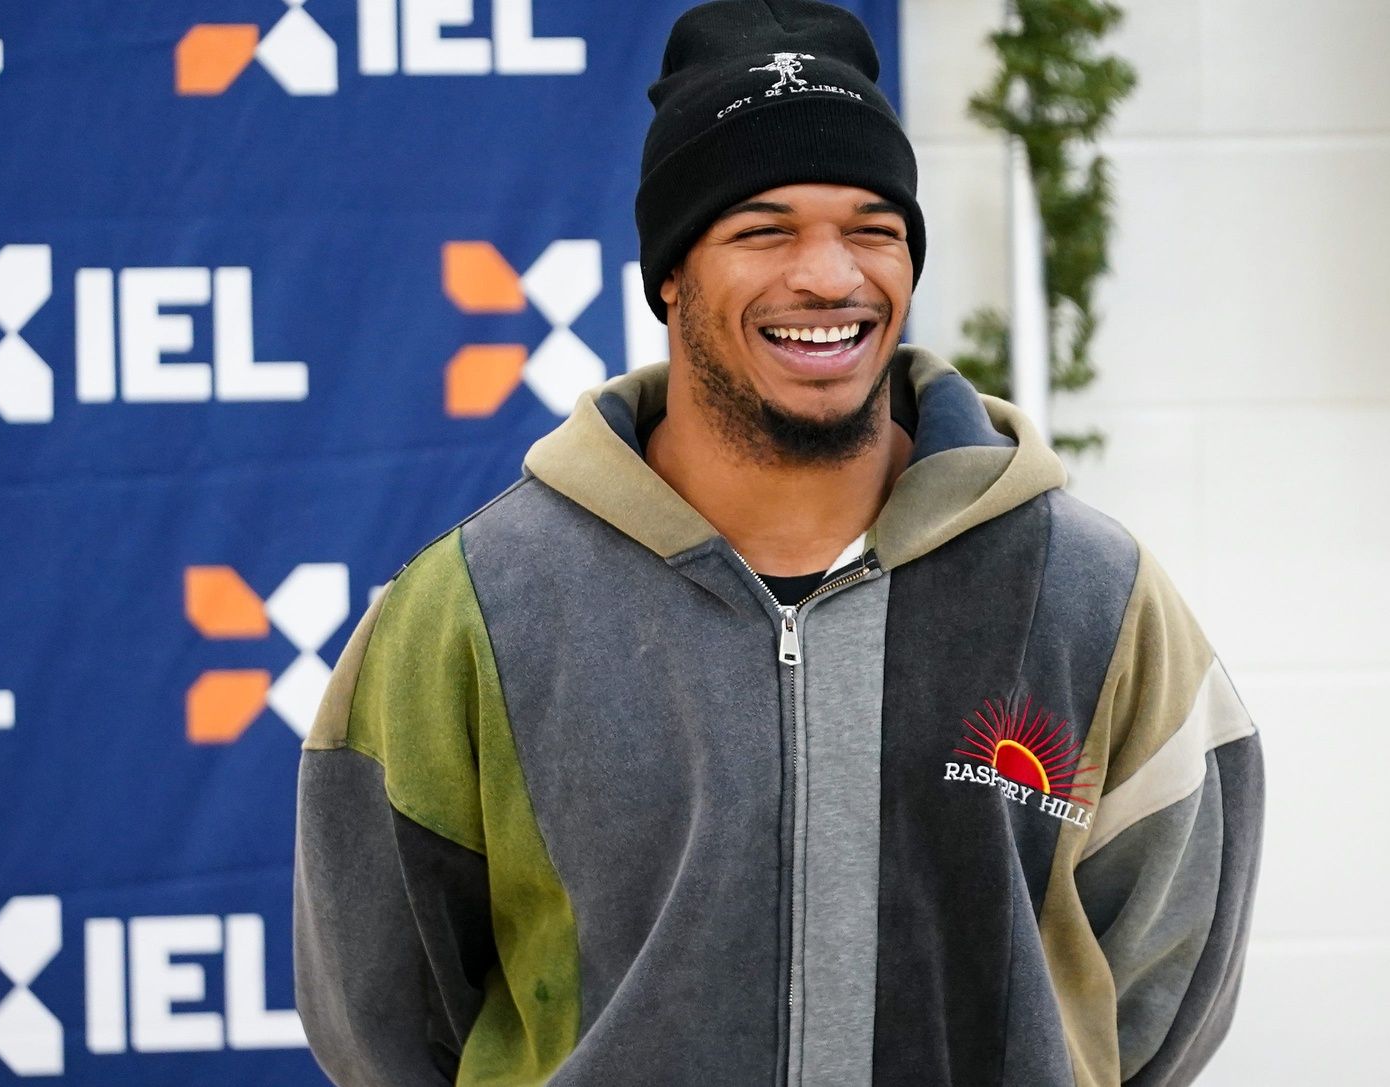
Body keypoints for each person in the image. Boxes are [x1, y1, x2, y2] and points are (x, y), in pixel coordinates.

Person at [292, 1, 1264, 1084]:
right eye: (763, 230)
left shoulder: (1088, 592)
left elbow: (1162, 989)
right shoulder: (475, 605)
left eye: (871, 229)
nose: (831, 277)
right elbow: (381, 1014)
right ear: (670, 275)